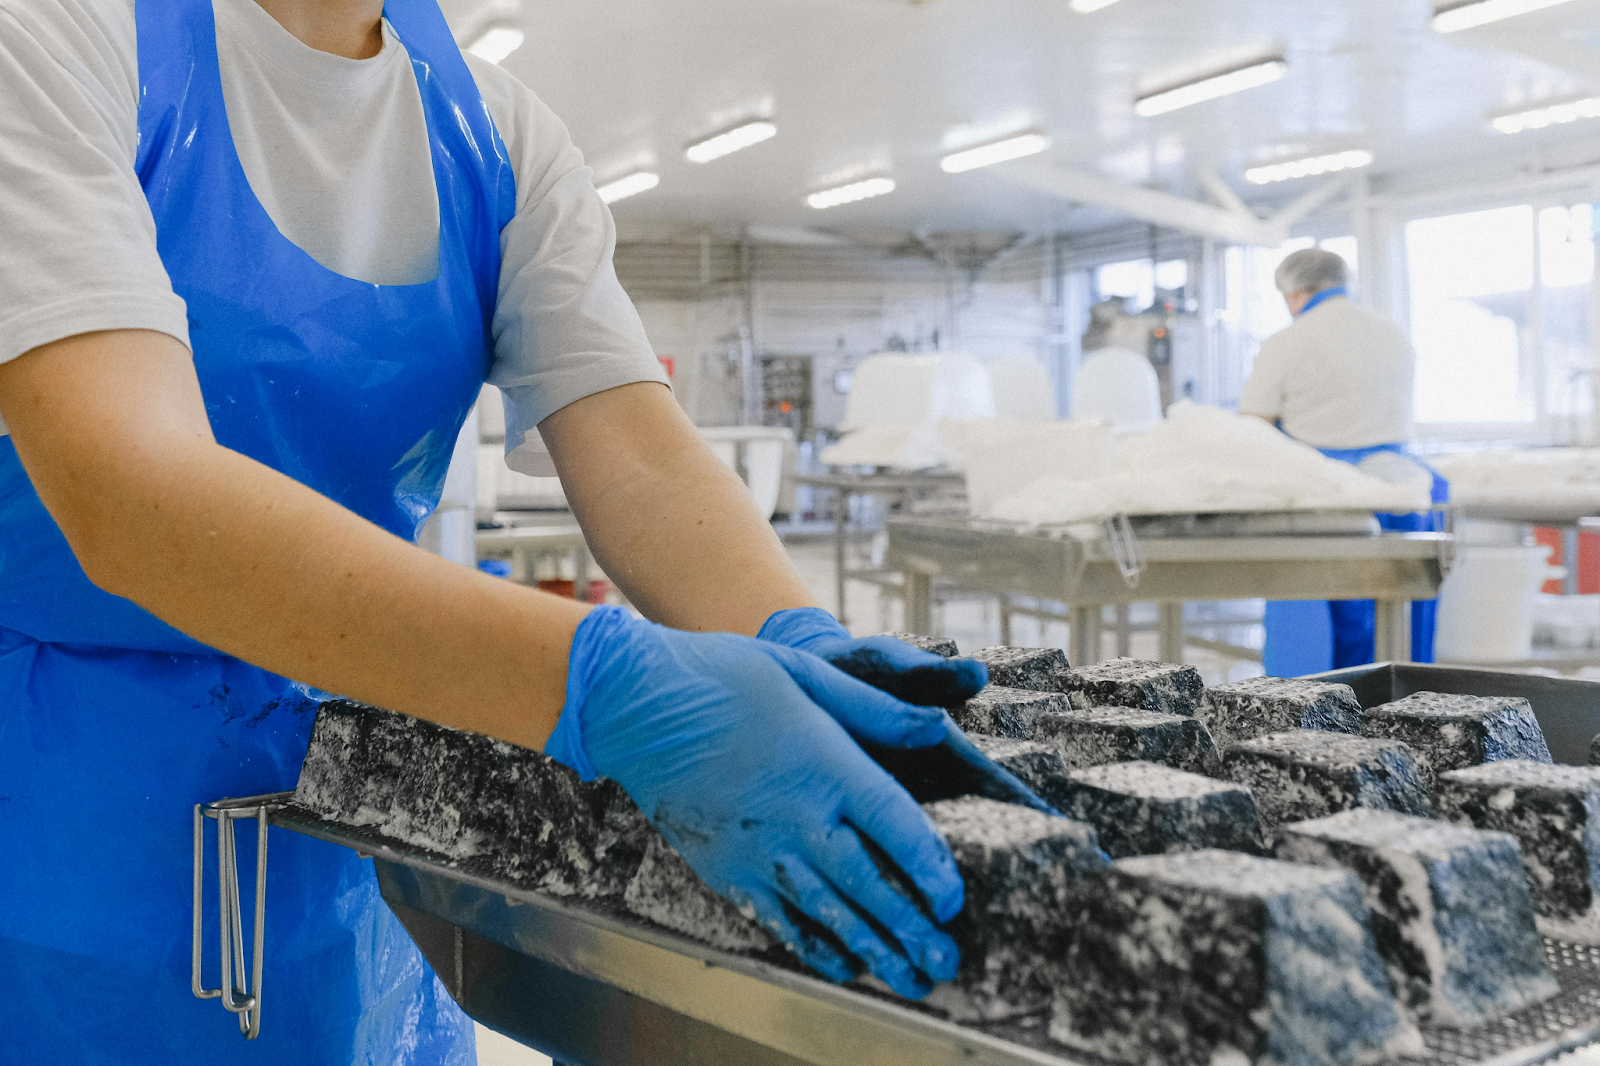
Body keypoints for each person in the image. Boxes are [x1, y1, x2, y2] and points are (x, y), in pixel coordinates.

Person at [0, 1, 988, 1061]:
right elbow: (133, 501)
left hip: (346, 793)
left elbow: (638, 455)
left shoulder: (493, 134)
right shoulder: (58, 39)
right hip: (57, 819)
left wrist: (793, 636)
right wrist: (601, 682)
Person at [1238, 248, 1447, 674]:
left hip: (1321, 499)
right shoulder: (1393, 334)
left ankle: (1309, 721)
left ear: (1294, 292)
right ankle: (1402, 705)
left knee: (1315, 627)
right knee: (1397, 613)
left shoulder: (1287, 341)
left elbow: (1253, 428)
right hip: (1400, 490)